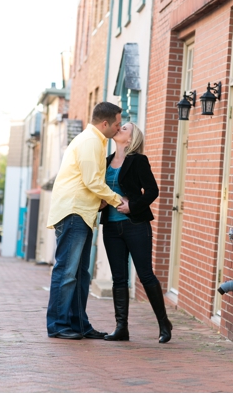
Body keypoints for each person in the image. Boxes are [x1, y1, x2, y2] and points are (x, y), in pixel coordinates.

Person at [45, 102, 128, 340]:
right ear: (105, 123)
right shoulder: (91, 142)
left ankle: (78, 324)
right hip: (74, 213)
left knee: (81, 273)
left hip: (81, 213)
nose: (118, 128)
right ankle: (58, 325)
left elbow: (88, 182)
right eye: (117, 124)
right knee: (67, 272)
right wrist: (116, 200)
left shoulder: (94, 141)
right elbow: (93, 181)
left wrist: (100, 201)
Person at [99, 122, 171, 343]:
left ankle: (163, 324)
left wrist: (133, 206)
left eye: (124, 128)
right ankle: (121, 328)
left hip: (135, 225)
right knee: (119, 278)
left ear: (130, 139)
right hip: (111, 226)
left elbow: (152, 190)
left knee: (145, 273)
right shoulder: (106, 162)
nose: (119, 128)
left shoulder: (138, 160)